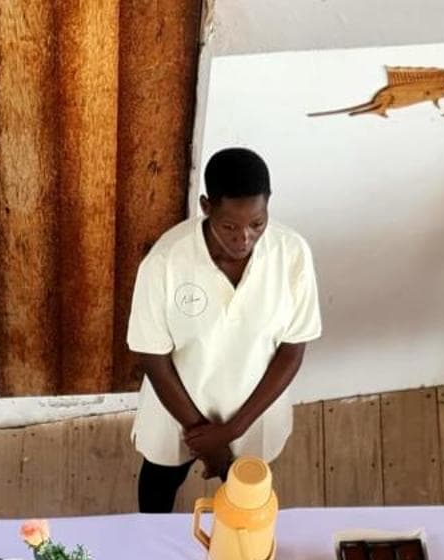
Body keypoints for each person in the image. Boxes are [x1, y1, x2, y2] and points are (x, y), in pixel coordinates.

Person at [126, 147, 321, 512]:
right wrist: (205, 437)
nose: (243, 238)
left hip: (253, 410)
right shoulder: (165, 261)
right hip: (178, 407)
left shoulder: (292, 253)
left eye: (257, 224)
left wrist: (231, 431)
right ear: (206, 207)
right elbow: (153, 357)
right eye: (229, 226)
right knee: (159, 481)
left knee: (247, 501)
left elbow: (293, 350)